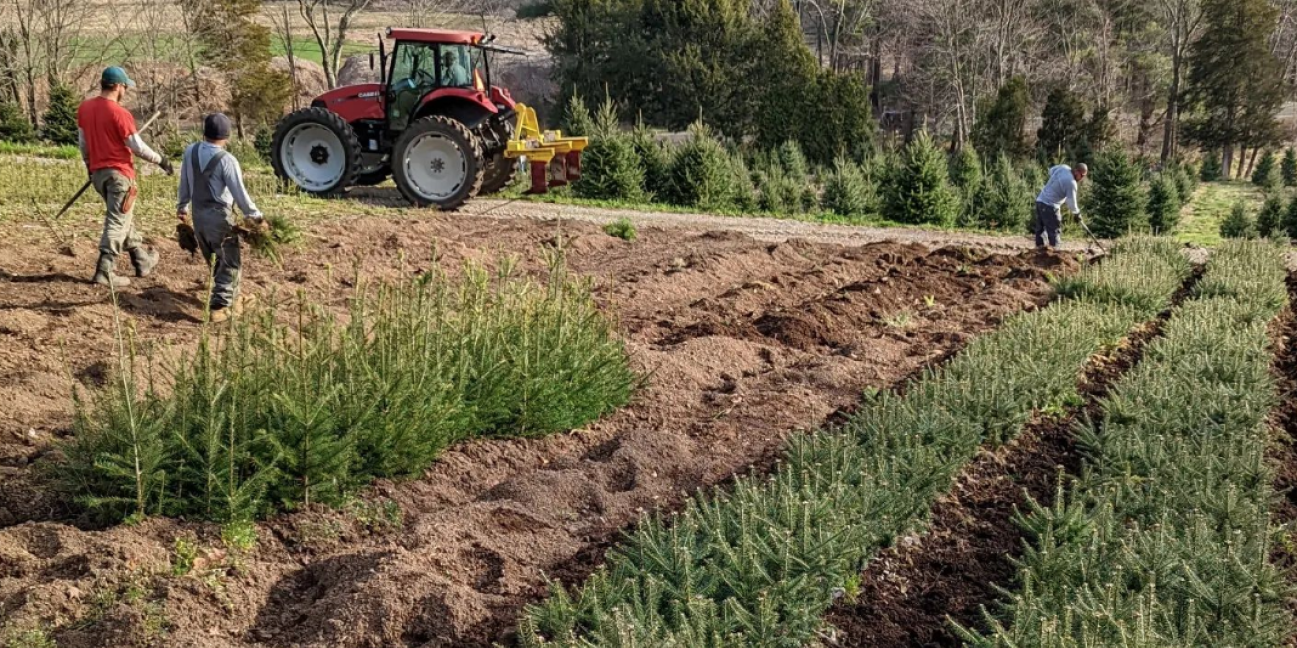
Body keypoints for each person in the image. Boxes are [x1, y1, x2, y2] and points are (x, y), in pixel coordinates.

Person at [77, 66, 173, 287]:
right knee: (117, 221)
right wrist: (161, 160)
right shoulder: (119, 113)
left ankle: (141, 260)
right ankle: (105, 270)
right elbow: (136, 146)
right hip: (119, 175)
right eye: (125, 86)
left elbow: (83, 143)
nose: (126, 90)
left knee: (122, 216)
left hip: (99, 175)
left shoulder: (85, 108)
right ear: (118, 86)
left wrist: (90, 167)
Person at [176, 113, 265, 323]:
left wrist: (182, 206)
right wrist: (257, 217)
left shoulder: (191, 151)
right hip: (219, 217)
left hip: (198, 217)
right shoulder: (227, 160)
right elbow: (240, 194)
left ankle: (233, 298)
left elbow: (185, 180)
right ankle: (220, 308)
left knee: (215, 260)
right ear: (227, 136)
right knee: (229, 262)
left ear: (204, 132)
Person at [1033, 162, 1088, 249]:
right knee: (1054, 232)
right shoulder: (1071, 183)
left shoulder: (1063, 167)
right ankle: (1056, 256)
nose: (1082, 178)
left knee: (1040, 230)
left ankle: (1039, 254)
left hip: (1040, 201)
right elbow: (1071, 203)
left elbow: (1050, 171)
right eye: (1082, 175)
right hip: (1050, 206)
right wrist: (1077, 214)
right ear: (1076, 171)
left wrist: (1056, 183)